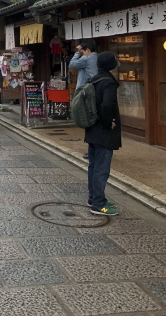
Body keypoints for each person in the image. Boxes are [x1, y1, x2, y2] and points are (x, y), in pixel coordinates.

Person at [85, 51, 121, 216]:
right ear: (111, 65)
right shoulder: (108, 82)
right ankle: (99, 205)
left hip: (92, 128)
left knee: (93, 166)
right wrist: (109, 122)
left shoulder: (93, 79)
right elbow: (107, 105)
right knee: (101, 168)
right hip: (103, 132)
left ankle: (94, 198)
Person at [69, 40, 98, 159]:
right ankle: (95, 149)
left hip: (86, 93)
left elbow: (72, 65)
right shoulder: (98, 57)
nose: (81, 53)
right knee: (94, 119)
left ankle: (92, 150)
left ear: (87, 50)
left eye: (82, 51)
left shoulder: (87, 58)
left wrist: (77, 53)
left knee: (87, 120)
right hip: (95, 91)